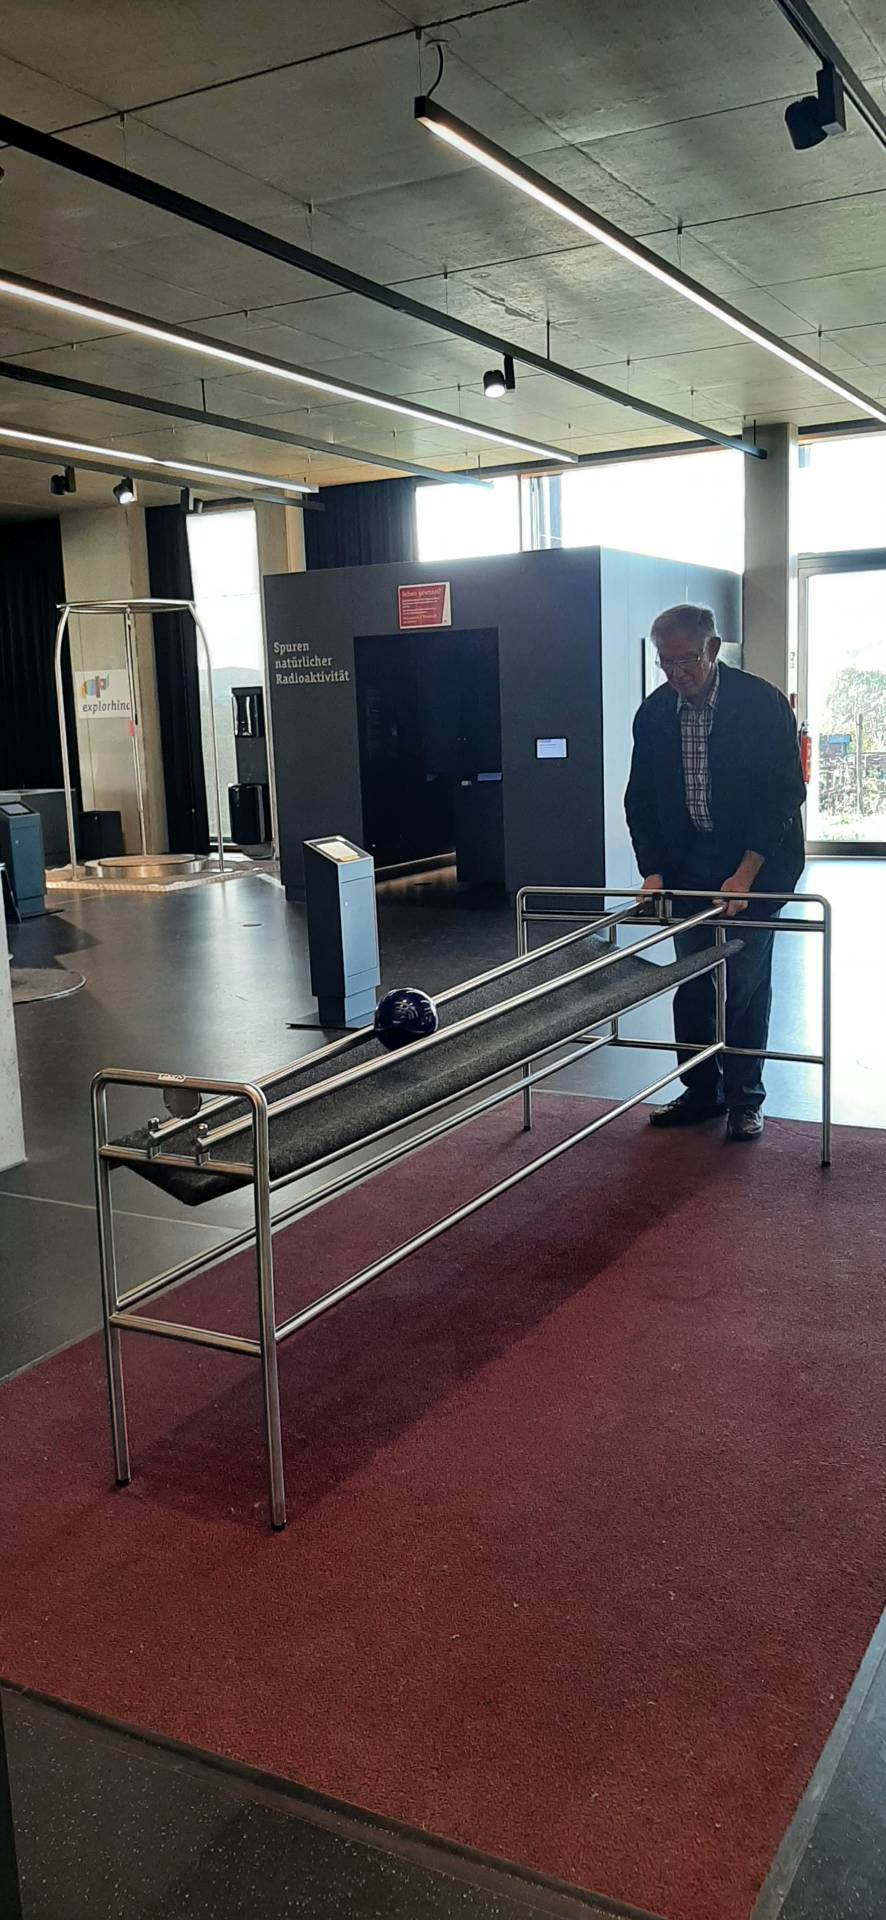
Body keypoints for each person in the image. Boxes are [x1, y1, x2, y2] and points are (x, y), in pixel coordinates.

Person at [624, 604, 805, 1141]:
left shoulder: (762, 704)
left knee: (743, 983)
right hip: (689, 863)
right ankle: (702, 1091)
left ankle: (745, 1098)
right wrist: (654, 871)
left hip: (759, 862)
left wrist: (746, 874)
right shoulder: (654, 714)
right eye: (665, 662)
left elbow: (782, 797)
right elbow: (641, 800)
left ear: (713, 649)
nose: (676, 673)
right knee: (693, 980)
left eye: (686, 660)